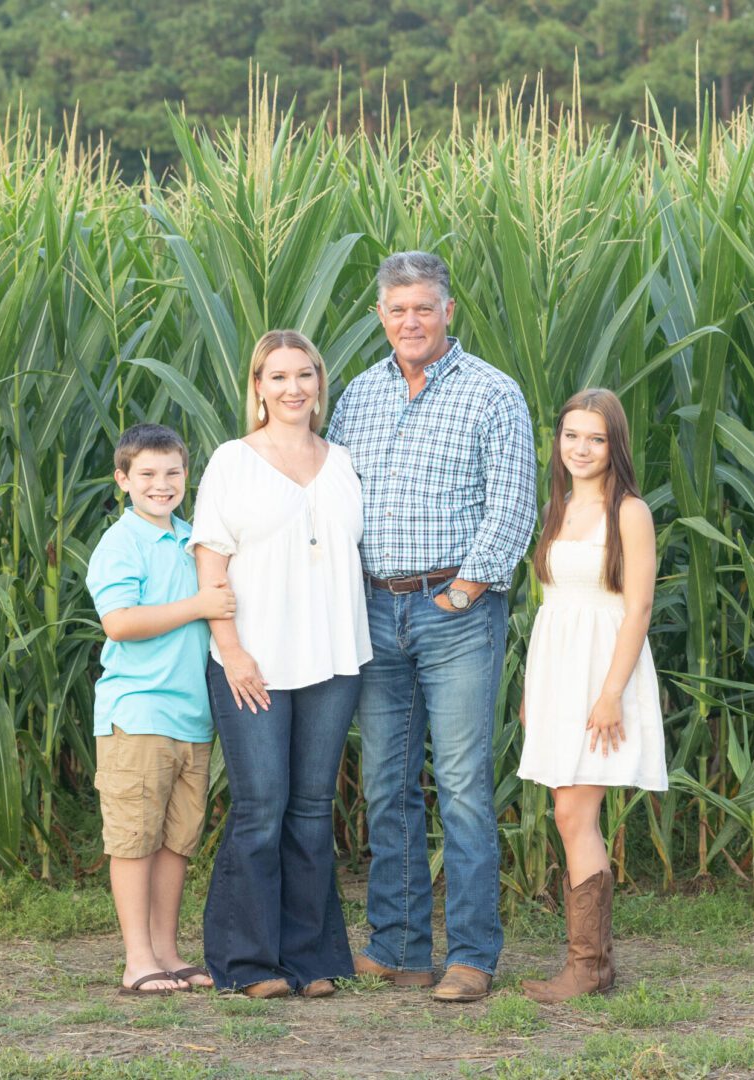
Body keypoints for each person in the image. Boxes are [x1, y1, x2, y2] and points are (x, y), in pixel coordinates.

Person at [326, 251, 536, 1002]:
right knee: (386, 784)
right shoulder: (357, 395)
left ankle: (472, 955)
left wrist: (465, 589)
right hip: (374, 610)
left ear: (449, 310)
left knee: (461, 787)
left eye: (423, 307)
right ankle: (400, 944)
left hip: (455, 613)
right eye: (396, 310)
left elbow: (511, 503)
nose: (409, 321)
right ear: (379, 317)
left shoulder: (491, 392)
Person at [189, 329, 371, 999]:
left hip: (333, 659)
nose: (292, 387)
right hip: (253, 661)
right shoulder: (233, 461)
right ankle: (246, 964)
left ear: (319, 384)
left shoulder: (343, 461)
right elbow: (210, 560)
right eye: (277, 376)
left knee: (310, 812)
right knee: (261, 808)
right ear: (257, 387)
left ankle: (308, 958)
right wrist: (231, 650)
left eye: (304, 375)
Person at [516, 388, 667, 1004]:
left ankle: (588, 967)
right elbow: (548, 607)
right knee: (567, 812)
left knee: (576, 814)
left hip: (603, 672)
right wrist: (533, 689)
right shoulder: (558, 506)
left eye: (596, 439)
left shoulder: (628, 510)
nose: (581, 449)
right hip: (558, 669)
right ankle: (591, 965)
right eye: (572, 436)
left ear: (615, 445)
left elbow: (639, 608)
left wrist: (610, 694)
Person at [86, 423, 236, 996]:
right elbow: (120, 622)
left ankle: (168, 951)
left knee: (177, 840)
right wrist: (198, 604)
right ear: (123, 480)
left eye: (172, 472)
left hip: (190, 718)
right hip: (138, 714)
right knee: (134, 838)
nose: (161, 483)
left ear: (186, 476)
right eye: (146, 474)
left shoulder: (191, 538)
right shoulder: (121, 544)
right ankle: (137, 959)